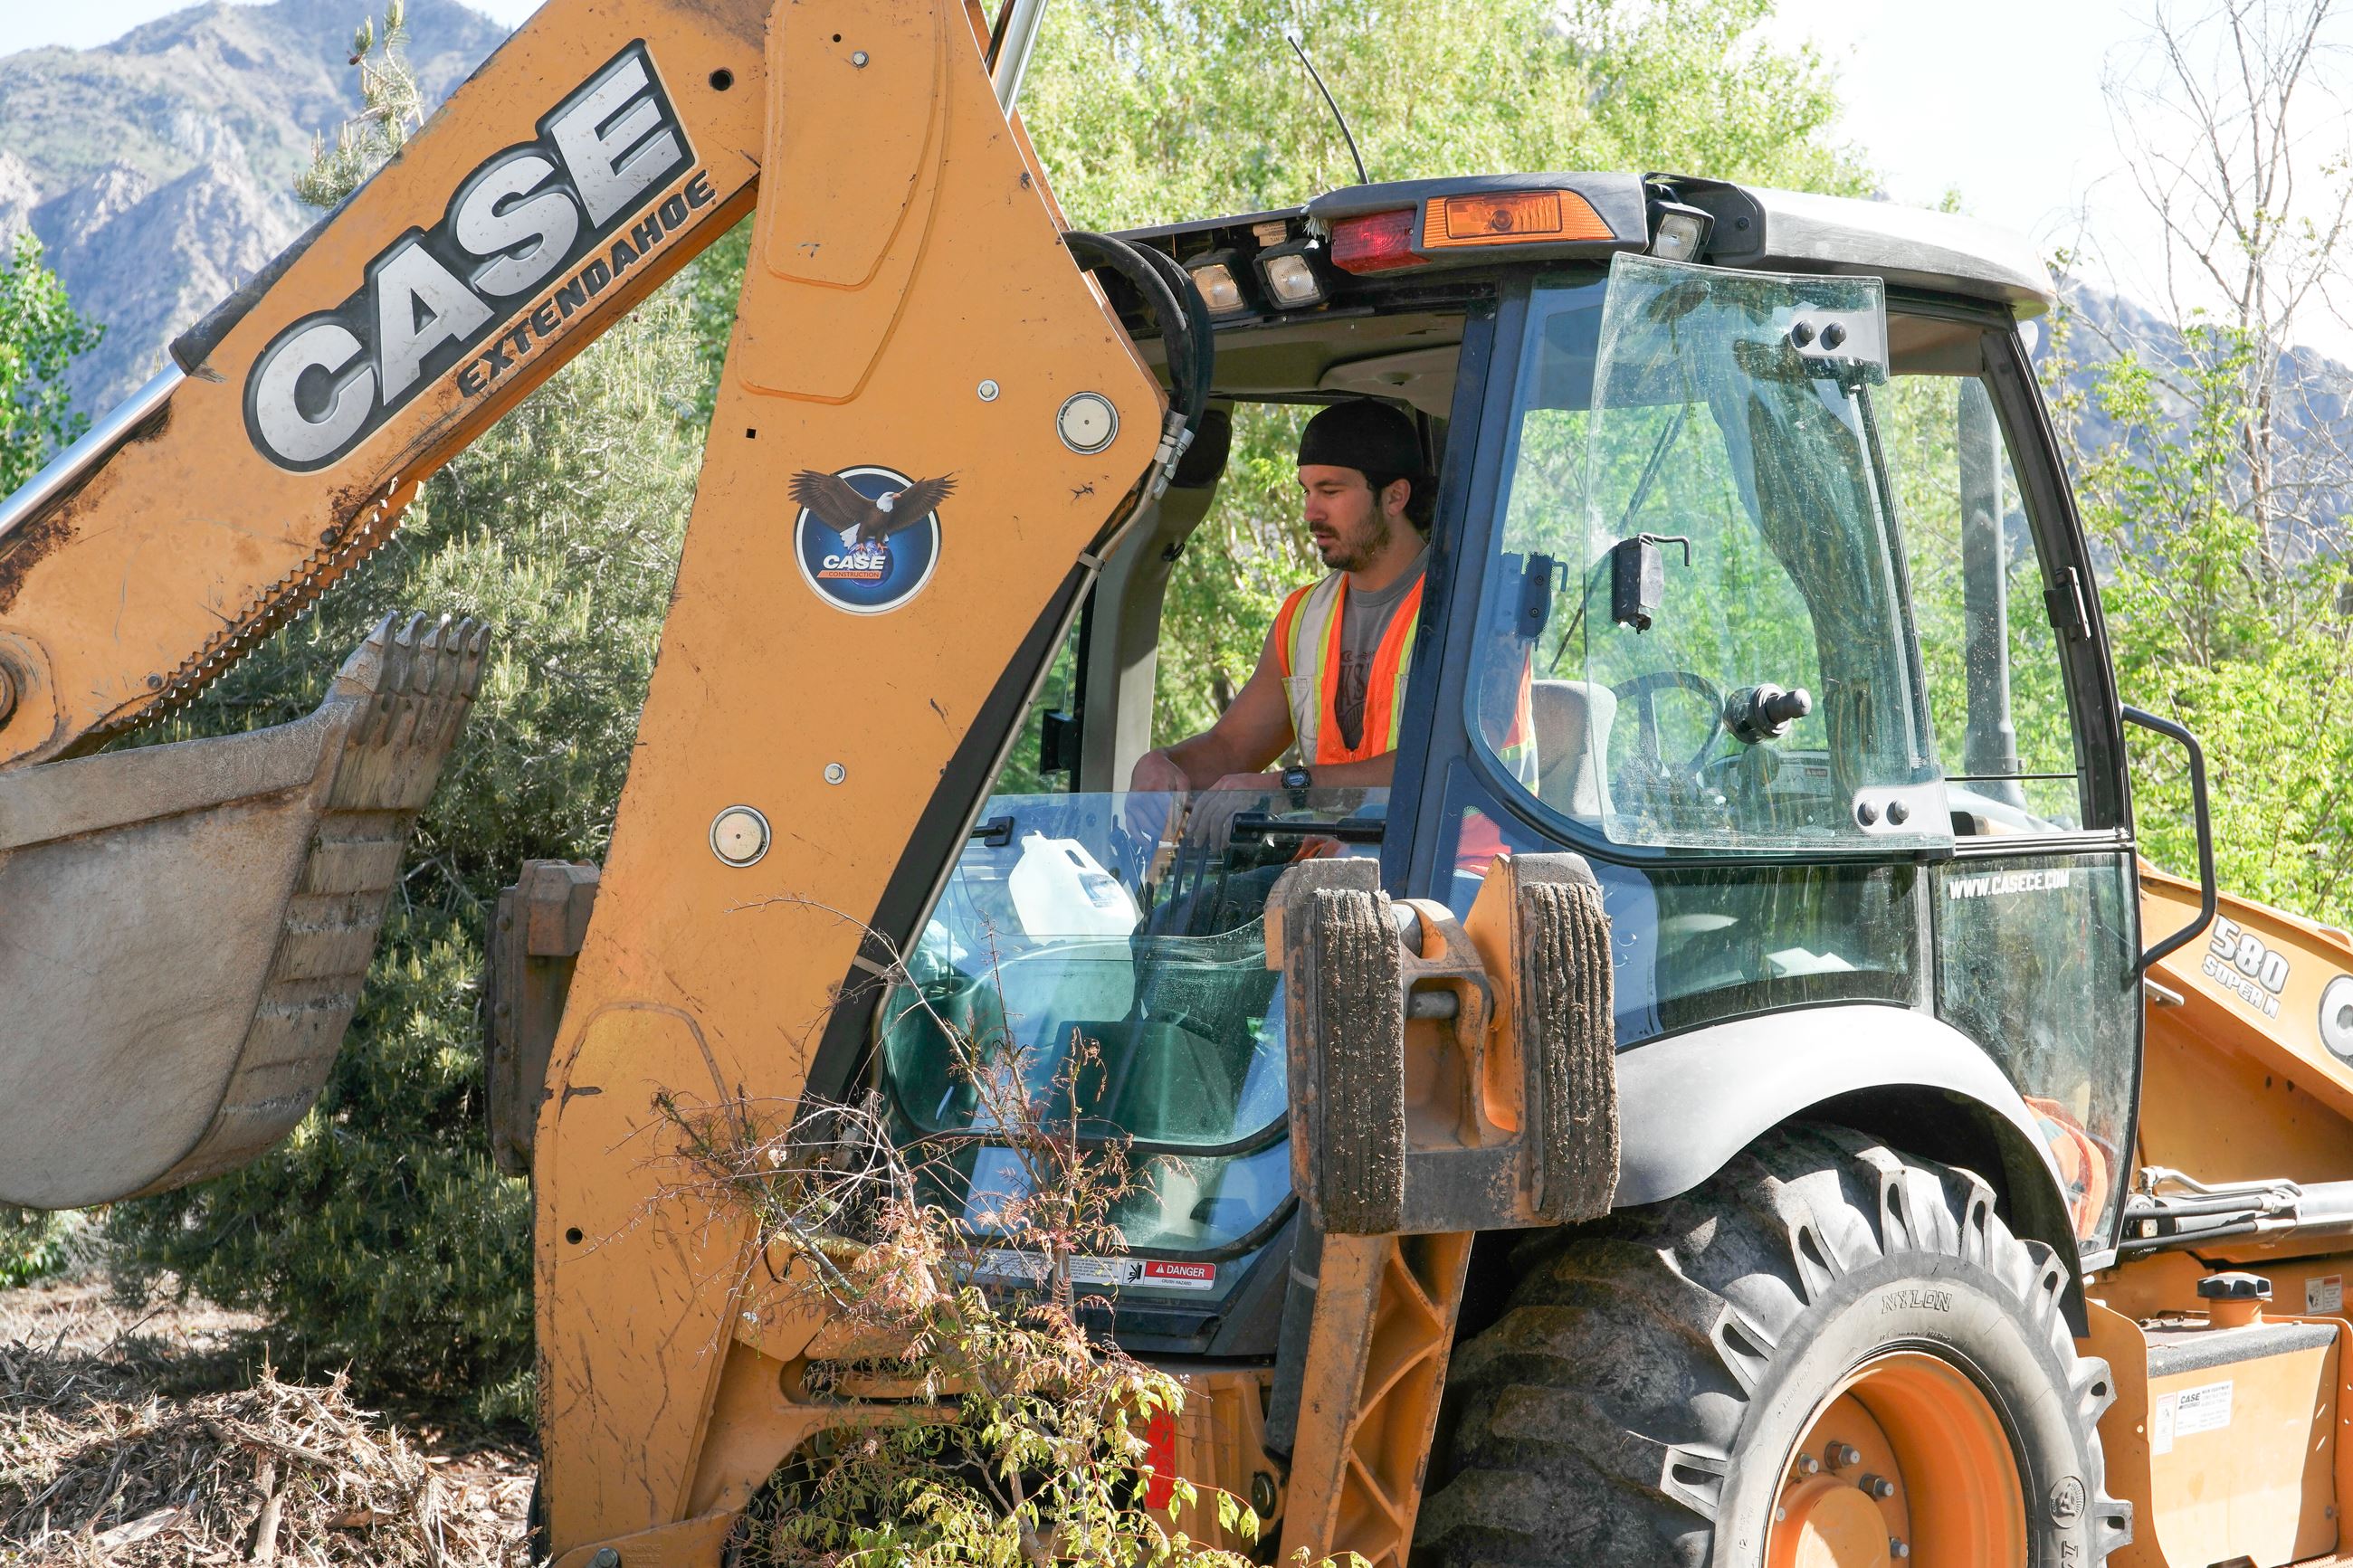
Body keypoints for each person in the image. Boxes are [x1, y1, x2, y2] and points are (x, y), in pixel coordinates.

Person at [1129, 399, 1436, 804]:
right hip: (1335, 861)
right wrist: (1166, 764)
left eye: (1330, 490)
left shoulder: (1472, 606)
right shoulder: (1304, 617)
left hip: (1466, 862)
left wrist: (1289, 786)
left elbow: (1443, 766)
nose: (1311, 511)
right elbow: (1233, 748)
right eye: (1307, 490)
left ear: (1395, 497)